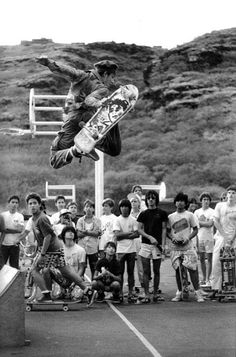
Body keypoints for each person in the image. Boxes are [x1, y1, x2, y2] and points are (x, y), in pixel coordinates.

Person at [36, 56, 121, 169]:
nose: (112, 81)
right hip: (89, 119)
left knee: (55, 158)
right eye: (112, 77)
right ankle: (90, 140)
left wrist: (48, 63)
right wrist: (100, 104)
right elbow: (89, 100)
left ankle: (76, 150)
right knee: (113, 149)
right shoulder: (102, 89)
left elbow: (65, 69)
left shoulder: (81, 75)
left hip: (74, 119)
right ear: (105, 74)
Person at [26, 192, 96, 305]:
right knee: (66, 270)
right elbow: (41, 238)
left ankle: (46, 295)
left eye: (35, 203)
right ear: (27, 206)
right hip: (56, 249)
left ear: (40, 205)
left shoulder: (42, 218)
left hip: (51, 250)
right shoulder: (34, 219)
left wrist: (42, 254)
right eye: (30, 203)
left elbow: (48, 236)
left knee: (34, 270)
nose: (32, 205)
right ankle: (88, 291)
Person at [167, 192, 204, 303]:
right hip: (175, 248)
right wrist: (172, 238)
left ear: (185, 203)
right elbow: (168, 232)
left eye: (182, 201)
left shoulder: (190, 215)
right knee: (178, 271)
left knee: (193, 270)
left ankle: (198, 293)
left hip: (188, 247)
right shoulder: (170, 217)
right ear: (175, 203)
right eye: (178, 201)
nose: (180, 203)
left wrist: (188, 238)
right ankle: (179, 292)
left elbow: (196, 229)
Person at [137, 190, 167, 303]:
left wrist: (163, 245)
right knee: (146, 271)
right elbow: (139, 229)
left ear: (156, 200)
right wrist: (149, 237)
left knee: (156, 271)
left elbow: (164, 229)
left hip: (158, 246)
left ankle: (155, 293)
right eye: (149, 198)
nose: (150, 200)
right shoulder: (143, 214)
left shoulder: (162, 213)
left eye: (153, 198)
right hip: (145, 245)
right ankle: (146, 294)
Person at [208, 185, 236, 299]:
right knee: (216, 262)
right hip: (220, 237)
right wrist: (225, 236)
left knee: (233, 264)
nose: (231, 195)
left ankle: (232, 288)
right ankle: (216, 288)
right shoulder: (220, 205)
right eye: (229, 192)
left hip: (234, 238)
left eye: (233, 193)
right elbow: (215, 221)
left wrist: (231, 239)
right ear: (226, 194)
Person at [113, 199, 139, 302]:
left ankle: (131, 291)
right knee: (120, 272)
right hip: (120, 250)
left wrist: (124, 234)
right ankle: (119, 292)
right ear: (120, 208)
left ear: (129, 208)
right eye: (122, 206)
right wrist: (129, 234)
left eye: (126, 206)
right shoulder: (117, 220)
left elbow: (137, 234)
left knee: (131, 272)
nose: (124, 208)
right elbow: (117, 235)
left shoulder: (133, 219)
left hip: (131, 250)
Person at [77, 199, 101, 279]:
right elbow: (78, 234)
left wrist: (85, 232)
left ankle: (94, 287)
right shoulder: (80, 220)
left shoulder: (97, 220)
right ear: (84, 208)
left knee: (94, 268)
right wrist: (91, 232)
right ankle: (81, 288)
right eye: (87, 206)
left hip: (93, 248)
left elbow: (97, 233)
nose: (88, 208)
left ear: (93, 209)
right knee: (81, 268)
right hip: (81, 248)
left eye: (91, 207)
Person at [194, 192, 214, 286]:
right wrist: (202, 223)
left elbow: (210, 224)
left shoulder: (212, 211)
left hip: (209, 238)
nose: (206, 201)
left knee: (209, 258)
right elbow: (194, 224)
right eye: (204, 199)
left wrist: (199, 223)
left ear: (210, 201)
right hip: (199, 237)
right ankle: (203, 277)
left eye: (207, 199)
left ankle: (208, 279)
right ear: (201, 201)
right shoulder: (197, 212)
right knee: (201, 258)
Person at [0, 195, 25, 269]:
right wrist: (13, 230)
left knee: (14, 267)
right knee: (2, 266)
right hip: (3, 244)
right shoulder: (3, 215)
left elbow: (20, 230)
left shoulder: (20, 216)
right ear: (9, 203)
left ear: (18, 204)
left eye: (16, 203)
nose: (14, 204)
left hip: (14, 245)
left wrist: (6, 229)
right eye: (12, 202)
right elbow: (2, 230)